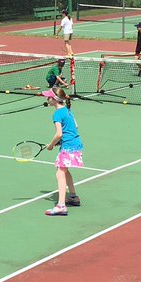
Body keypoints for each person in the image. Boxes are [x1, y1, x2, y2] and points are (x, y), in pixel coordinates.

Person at [42, 86, 82, 216]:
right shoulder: (68, 110)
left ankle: (61, 206)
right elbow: (75, 126)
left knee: (60, 173)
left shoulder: (57, 114)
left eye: (49, 97)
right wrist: (60, 141)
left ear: (54, 99)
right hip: (75, 144)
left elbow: (59, 134)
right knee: (65, 170)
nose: (47, 99)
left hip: (69, 146)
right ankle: (73, 197)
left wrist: (51, 145)